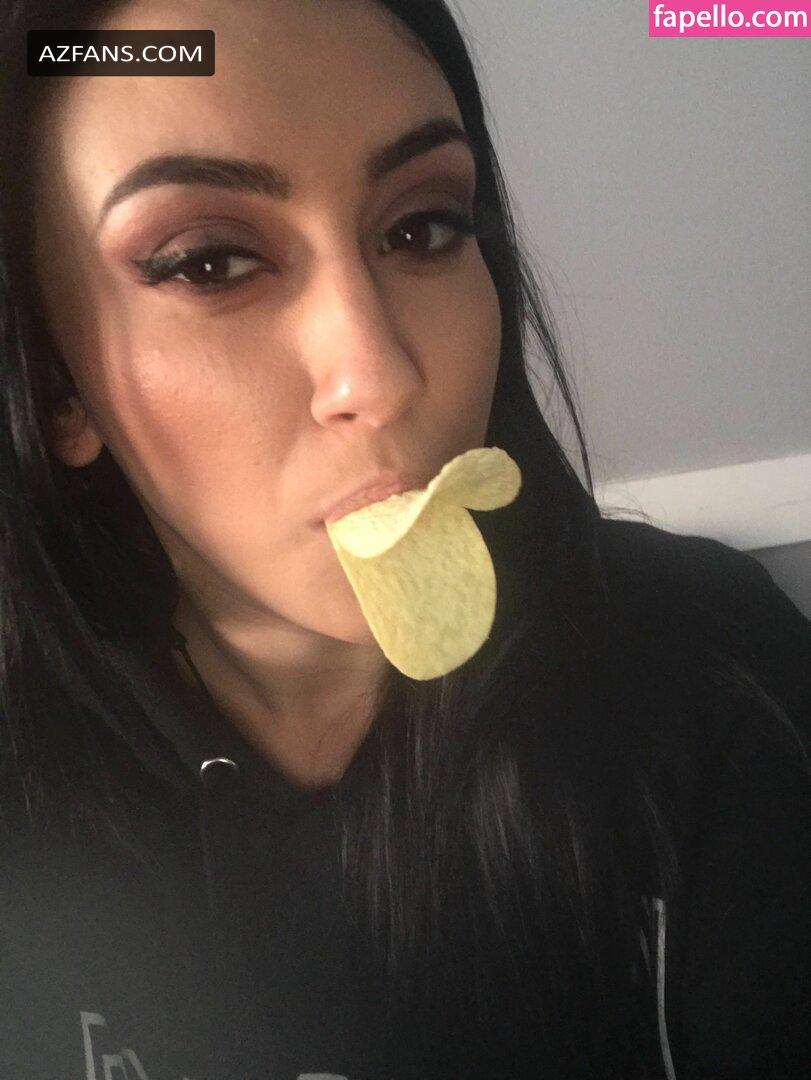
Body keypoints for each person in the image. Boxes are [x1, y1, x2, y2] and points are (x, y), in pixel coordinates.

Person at [0, 1, 808, 1078]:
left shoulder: (710, 680)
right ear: (58, 386)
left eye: (422, 229)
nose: (378, 376)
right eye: (208, 262)